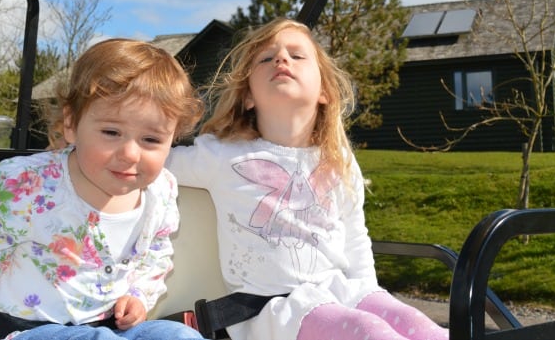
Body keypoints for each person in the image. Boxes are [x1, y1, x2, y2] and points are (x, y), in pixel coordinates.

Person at [166, 18, 449, 340]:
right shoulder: (222, 155)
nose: (281, 59)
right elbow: (150, 158)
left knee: (417, 325)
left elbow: (355, 239)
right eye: (266, 58)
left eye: (297, 56)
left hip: (339, 294)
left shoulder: (337, 159)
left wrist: (372, 297)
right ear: (248, 97)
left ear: (325, 91)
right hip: (274, 309)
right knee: (367, 330)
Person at [0, 39, 205, 340]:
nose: (131, 154)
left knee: (178, 335)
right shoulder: (24, 185)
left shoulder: (161, 190)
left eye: (151, 140)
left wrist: (139, 295)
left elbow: (156, 255)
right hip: (21, 329)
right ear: (71, 123)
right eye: (111, 132)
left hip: (109, 327)